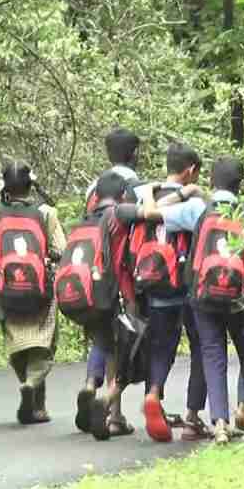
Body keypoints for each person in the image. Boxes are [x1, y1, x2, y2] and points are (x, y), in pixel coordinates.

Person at [145, 157, 244, 442]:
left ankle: (220, 425)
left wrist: (175, 192)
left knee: (213, 354)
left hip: (203, 297)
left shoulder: (198, 208)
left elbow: (150, 213)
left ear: (212, 181)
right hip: (239, 298)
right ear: (240, 184)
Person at [116, 142, 208, 442]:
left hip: (152, 284)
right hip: (185, 287)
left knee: (161, 346)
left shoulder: (145, 195)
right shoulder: (193, 202)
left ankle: (154, 393)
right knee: (200, 347)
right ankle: (194, 417)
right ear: (191, 170)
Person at [0, 159, 66, 424]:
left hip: (6, 292)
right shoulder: (46, 213)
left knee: (18, 347)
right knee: (43, 347)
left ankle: (34, 400)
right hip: (40, 292)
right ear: (31, 184)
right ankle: (32, 387)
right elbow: (62, 250)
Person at [79, 129, 146, 426]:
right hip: (125, 277)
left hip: (95, 275)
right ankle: (114, 412)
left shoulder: (94, 187)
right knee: (126, 341)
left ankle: (90, 386)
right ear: (134, 154)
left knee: (102, 335)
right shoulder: (134, 187)